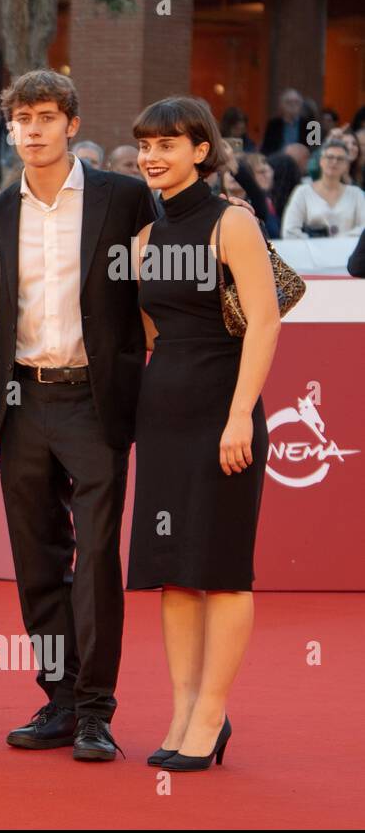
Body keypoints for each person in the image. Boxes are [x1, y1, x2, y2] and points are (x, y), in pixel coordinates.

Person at [0, 70, 158, 761]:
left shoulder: (123, 197)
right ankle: (56, 698)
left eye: (46, 116)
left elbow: (164, 279)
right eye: (21, 117)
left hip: (94, 399)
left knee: (95, 562)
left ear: (72, 124)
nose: (32, 129)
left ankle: (95, 710)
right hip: (23, 400)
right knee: (37, 559)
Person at [128, 96, 280, 772]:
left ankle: (212, 711)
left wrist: (240, 412)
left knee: (219, 570)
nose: (152, 156)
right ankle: (183, 708)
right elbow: (152, 333)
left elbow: (266, 321)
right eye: (145, 145)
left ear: (200, 150)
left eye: (168, 143)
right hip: (163, 417)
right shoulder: (142, 239)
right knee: (174, 575)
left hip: (227, 415)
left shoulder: (232, 223)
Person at [281, 139, 365, 238]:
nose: (334, 162)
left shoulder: (356, 193)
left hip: (350, 249)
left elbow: (363, 227)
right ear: (321, 161)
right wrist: (314, 243)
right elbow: (289, 230)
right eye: (330, 157)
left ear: (346, 165)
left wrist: (341, 239)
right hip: (311, 251)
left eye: (340, 159)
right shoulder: (302, 192)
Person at [260, 89, 315, 155]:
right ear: (281, 105)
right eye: (289, 102)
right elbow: (266, 148)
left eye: (296, 102)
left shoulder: (311, 125)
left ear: (301, 105)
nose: (293, 105)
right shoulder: (273, 124)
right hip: (278, 161)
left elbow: (315, 151)